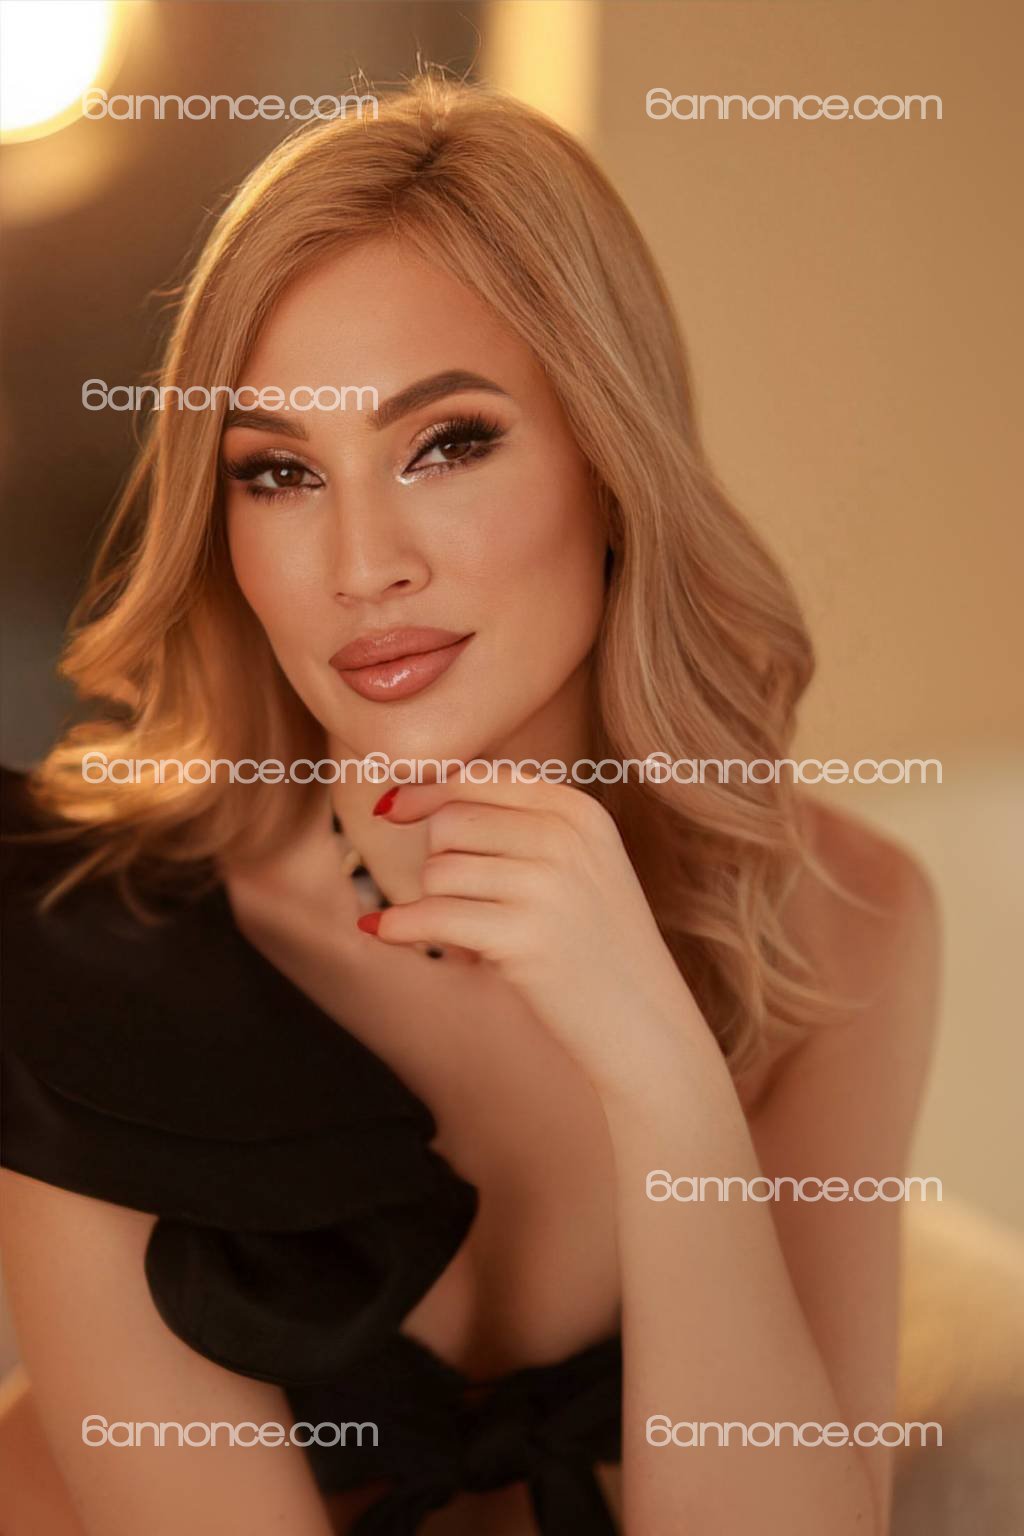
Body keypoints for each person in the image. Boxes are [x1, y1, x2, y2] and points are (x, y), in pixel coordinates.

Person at [0, 72, 941, 1536]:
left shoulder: (841, 917)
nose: (361, 564)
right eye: (279, 472)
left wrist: (661, 1073)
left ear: (610, 460)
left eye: (445, 444)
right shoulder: (85, 942)